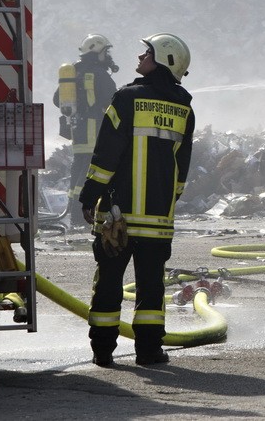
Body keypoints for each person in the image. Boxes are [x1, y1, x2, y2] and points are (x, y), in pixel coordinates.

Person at [79, 34, 194, 368]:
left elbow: (107, 155)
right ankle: (149, 351)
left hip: (119, 214)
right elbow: (181, 169)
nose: (142, 54)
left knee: (110, 284)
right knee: (150, 287)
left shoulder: (127, 98)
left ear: (164, 60)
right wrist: (166, 201)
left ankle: (103, 351)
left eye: (149, 51)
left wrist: (90, 195)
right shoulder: (184, 107)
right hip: (158, 218)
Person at [53, 34, 118, 226]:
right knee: (89, 174)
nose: (107, 56)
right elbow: (114, 102)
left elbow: (58, 100)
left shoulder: (74, 71)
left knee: (78, 173)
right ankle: (81, 217)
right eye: (105, 51)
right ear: (96, 51)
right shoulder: (100, 75)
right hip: (94, 131)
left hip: (78, 131)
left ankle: (74, 215)